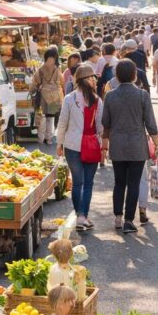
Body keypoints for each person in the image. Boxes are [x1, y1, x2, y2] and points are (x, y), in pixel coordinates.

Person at [102, 60, 158, 234]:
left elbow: (105, 122)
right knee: (134, 183)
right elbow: (150, 123)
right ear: (135, 75)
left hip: (118, 145)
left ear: (117, 76)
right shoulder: (142, 95)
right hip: (137, 145)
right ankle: (129, 220)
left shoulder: (110, 96)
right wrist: (157, 144)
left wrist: (104, 144)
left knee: (119, 183)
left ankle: (118, 217)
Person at [57, 63, 103, 230]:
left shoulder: (70, 99)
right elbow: (100, 126)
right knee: (88, 183)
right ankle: (83, 215)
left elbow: (62, 123)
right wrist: (101, 143)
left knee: (78, 182)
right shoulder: (98, 101)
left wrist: (59, 143)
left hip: (72, 145)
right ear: (86, 80)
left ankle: (80, 216)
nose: (94, 81)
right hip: (91, 145)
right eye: (92, 78)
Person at [29, 47, 64, 145]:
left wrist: (31, 91)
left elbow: (34, 83)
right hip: (55, 97)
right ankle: (48, 138)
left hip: (43, 97)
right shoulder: (57, 70)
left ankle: (41, 138)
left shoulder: (40, 70)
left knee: (42, 117)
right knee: (51, 118)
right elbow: (62, 82)